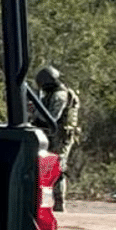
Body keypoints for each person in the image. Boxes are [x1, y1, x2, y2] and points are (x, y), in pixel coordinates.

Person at [31, 65, 80, 212]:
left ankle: (59, 203)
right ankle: (46, 202)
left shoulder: (60, 95)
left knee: (57, 168)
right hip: (52, 134)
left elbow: (52, 117)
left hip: (60, 136)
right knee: (47, 168)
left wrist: (37, 118)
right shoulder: (53, 94)